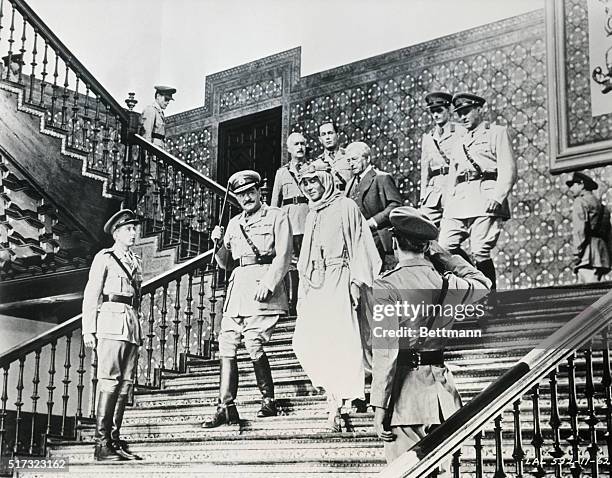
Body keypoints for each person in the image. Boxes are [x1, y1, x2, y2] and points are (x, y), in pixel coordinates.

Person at [368, 206, 491, 471]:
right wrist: (444, 256)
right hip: (443, 395)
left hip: (406, 399)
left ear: (393, 241)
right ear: (428, 246)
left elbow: (386, 352)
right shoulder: (449, 283)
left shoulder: (387, 285)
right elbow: (483, 284)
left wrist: (379, 405)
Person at [293, 160, 381, 432]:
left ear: (325, 180)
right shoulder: (312, 214)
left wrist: (356, 282)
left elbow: (359, 246)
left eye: (313, 181)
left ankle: (339, 404)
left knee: (342, 340)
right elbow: (306, 257)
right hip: (316, 284)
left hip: (341, 278)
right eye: (304, 183)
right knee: (310, 341)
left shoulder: (346, 207)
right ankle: (335, 397)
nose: (309, 188)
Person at [203, 170, 293, 427]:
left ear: (259, 191)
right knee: (227, 344)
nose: (246, 198)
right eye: (241, 195)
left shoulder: (277, 216)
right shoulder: (233, 223)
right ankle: (225, 405)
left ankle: (268, 399)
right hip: (238, 288)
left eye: (250, 192)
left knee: (253, 341)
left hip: (262, 285)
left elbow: (284, 255)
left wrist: (269, 282)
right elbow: (223, 262)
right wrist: (217, 243)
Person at [438, 93, 517, 293]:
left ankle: (489, 299)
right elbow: (453, 175)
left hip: (485, 197)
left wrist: (498, 197)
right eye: (459, 114)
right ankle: (474, 275)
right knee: (443, 248)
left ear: (479, 110)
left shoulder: (496, 132)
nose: (463, 117)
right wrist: (447, 204)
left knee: (480, 249)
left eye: (467, 112)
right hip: (459, 201)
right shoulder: (459, 140)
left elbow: (508, 168)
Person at [82, 209, 143, 461]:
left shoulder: (136, 260)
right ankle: (101, 443)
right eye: (128, 229)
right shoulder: (104, 258)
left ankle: (114, 439)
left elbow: (136, 297)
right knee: (109, 380)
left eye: (134, 228)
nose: (133, 232)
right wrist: (89, 329)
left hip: (130, 324)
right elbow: (91, 294)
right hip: (110, 322)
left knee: (125, 383)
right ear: (116, 233)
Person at [270, 132, 311, 315]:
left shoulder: (313, 168)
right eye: (296, 144)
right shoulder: (282, 173)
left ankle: (308, 300)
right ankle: (292, 303)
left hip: (308, 221)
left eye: (302, 144)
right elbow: (274, 203)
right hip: (289, 224)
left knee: (308, 262)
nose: (300, 147)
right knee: (290, 264)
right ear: (288, 149)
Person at [345, 141, 403, 262]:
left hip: (379, 238)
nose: (351, 164)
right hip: (358, 241)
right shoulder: (350, 184)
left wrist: (373, 222)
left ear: (367, 158)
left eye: (354, 159)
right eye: (349, 160)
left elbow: (396, 206)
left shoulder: (381, 177)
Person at [419, 91, 466, 228]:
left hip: (453, 186)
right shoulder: (428, 137)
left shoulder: (460, 131)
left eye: (439, 110)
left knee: (452, 229)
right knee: (422, 228)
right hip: (433, 191)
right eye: (433, 112)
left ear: (449, 110)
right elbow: (424, 169)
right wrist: (423, 195)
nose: (436, 115)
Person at [566, 171, 611, 283]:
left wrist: (577, 253)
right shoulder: (603, 207)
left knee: (586, 293)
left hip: (587, 254)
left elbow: (579, 230)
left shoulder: (580, 201)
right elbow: (609, 234)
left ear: (581, 185)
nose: (570, 188)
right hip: (601, 253)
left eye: (573, 185)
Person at [316, 121, 353, 192]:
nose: (327, 137)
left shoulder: (349, 155)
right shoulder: (317, 163)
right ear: (320, 139)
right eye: (323, 134)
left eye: (330, 133)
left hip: (348, 199)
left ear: (337, 135)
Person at [139, 85, 176, 149]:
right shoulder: (151, 110)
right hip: (153, 150)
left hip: (159, 148)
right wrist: (148, 151)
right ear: (158, 96)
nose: (167, 102)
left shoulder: (159, 112)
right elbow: (146, 134)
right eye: (166, 99)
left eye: (169, 100)